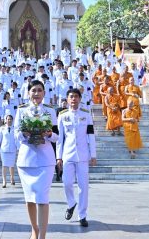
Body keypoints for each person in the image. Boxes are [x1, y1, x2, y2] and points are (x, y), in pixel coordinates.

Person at [15, 80, 58, 239]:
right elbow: (16, 134)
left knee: (42, 198)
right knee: (30, 199)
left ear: (44, 93)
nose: (36, 93)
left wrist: (49, 134)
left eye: (40, 90)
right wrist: (24, 134)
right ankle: (34, 229)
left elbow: (56, 136)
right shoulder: (21, 110)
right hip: (26, 160)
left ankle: (42, 236)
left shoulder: (50, 111)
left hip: (45, 160)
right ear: (28, 93)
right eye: (33, 90)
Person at [56, 89, 97, 227]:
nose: (73, 99)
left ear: (80, 99)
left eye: (76, 97)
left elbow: (91, 135)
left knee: (83, 186)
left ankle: (82, 215)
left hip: (83, 155)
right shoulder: (62, 115)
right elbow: (60, 138)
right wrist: (58, 157)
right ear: (67, 99)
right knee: (67, 182)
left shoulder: (86, 114)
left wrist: (93, 154)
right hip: (68, 154)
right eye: (71, 97)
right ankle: (71, 203)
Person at [0, 113, 17, 188]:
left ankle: (12, 178)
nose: (9, 120)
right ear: (5, 120)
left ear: (12, 120)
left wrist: (18, 148)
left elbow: (16, 139)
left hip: (12, 148)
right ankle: (4, 181)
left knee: (12, 165)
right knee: (4, 165)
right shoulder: (2, 128)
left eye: (10, 119)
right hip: (4, 149)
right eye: (8, 119)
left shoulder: (15, 128)